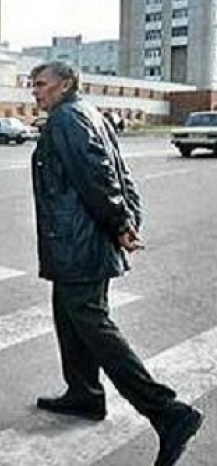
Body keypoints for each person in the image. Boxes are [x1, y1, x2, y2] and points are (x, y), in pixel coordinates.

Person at [29, 61, 203, 466]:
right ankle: (84, 394)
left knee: (93, 325)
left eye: (40, 85)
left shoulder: (67, 120)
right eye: (32, 85)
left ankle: (168, 413)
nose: (34, 92)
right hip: (82, 240)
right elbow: (121, 174)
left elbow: (98, 177)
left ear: (65, 84)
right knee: (70, 318)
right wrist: (127, 219)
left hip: (78, 243)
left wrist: (121, 223)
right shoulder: (89, 114)